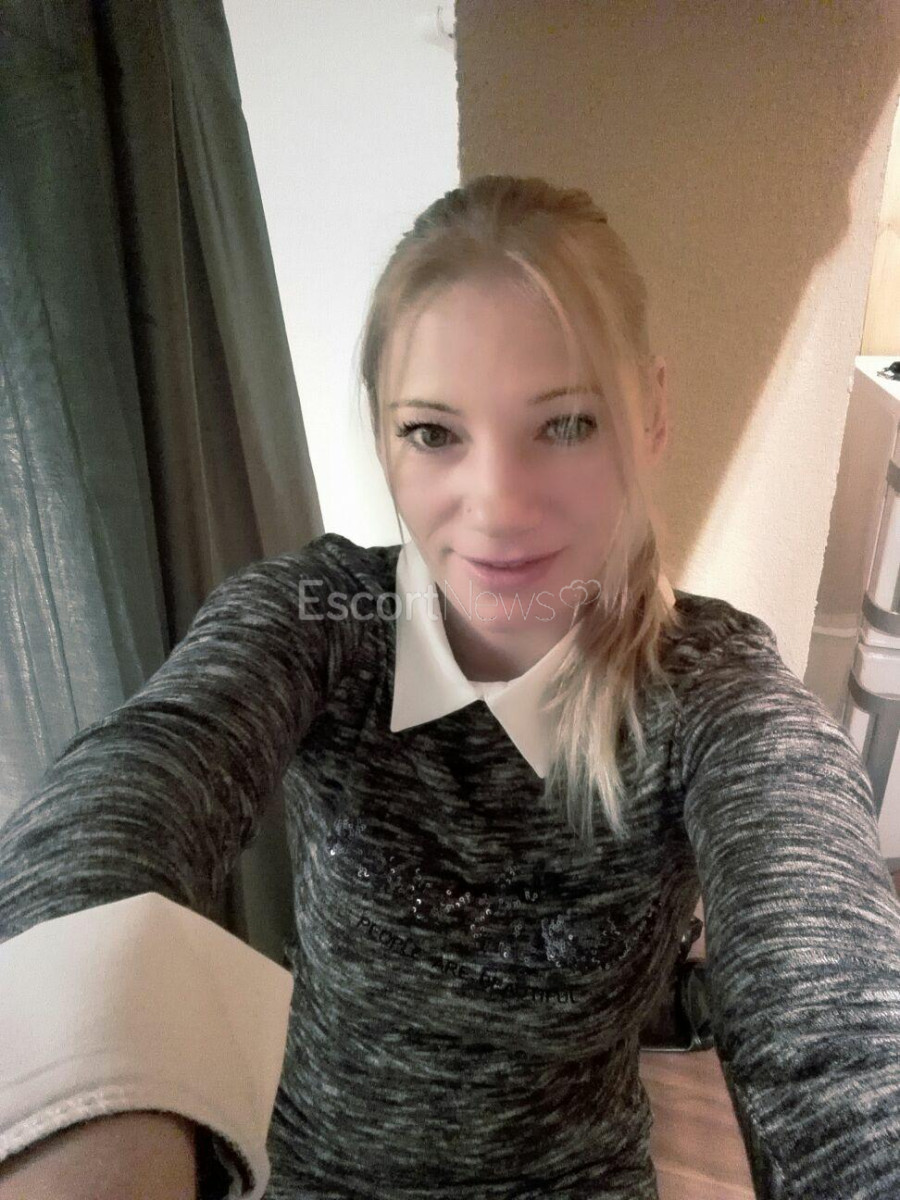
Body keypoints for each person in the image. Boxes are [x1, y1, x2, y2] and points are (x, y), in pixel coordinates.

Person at [1, 173, 899, 1200]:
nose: (496, 506)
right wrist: (82, 1098)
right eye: (433, 433)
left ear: (651, 412)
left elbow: (835, 1015)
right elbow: (131, 790)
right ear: (385, 438)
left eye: (565, 423)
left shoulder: (714, 693)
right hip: (323, 1179)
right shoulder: (320, 625)